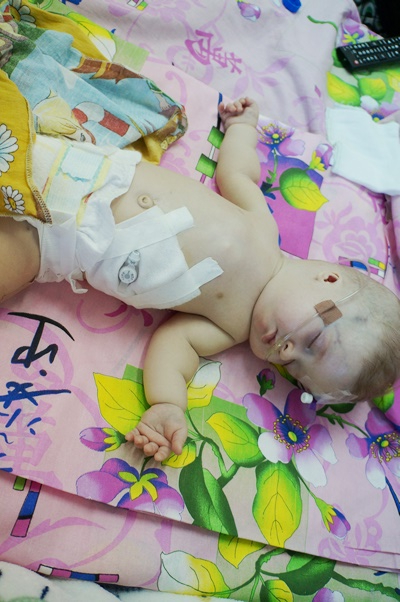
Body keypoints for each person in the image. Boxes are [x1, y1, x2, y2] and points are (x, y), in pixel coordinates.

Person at [2, 98, 400, 462]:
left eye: (295, 369)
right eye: (313, 342)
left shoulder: (229, 327)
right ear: (328, 278)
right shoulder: (263, 230)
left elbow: (175, 348)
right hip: (89, 166)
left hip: (56, 241)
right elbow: (238, 173)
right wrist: (242, 127)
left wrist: (168, 404)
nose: (285, 352)